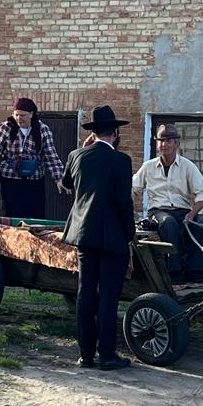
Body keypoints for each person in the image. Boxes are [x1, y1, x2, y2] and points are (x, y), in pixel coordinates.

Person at [62, 105, 135, 371]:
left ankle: (85, 354)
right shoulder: (121, 161)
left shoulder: (76, 155)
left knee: (86, 293)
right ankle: (107, 354)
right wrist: (131, 234)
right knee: (108, 295)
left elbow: (67, 184)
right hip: (113, 236)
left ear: (93, 133)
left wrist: (82, 150)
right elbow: (123, 202)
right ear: (115, 133)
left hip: (84, 234)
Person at [132, 124, 203, 282]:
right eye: (160, 141)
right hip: (158, 212)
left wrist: (191, 214)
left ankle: (196, 271)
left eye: (168, 141)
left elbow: (202, 195)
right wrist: (129, 209)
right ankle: (174, 273)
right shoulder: (148, 167)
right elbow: (132, 188)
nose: (164, 144)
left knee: (202, 223)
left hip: (183, 211)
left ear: (177, 144)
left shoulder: (188, 167)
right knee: (169, 223)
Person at [0, 97, 64, 219]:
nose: (19, 119)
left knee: (35, 215)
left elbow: (51, 155)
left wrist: (59, 178)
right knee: (12, 215)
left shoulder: (43, 130)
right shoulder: (6, 128)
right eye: (17, 115)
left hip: (34, 179)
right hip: (10, 179)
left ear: (31, 114)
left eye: (23, 115)